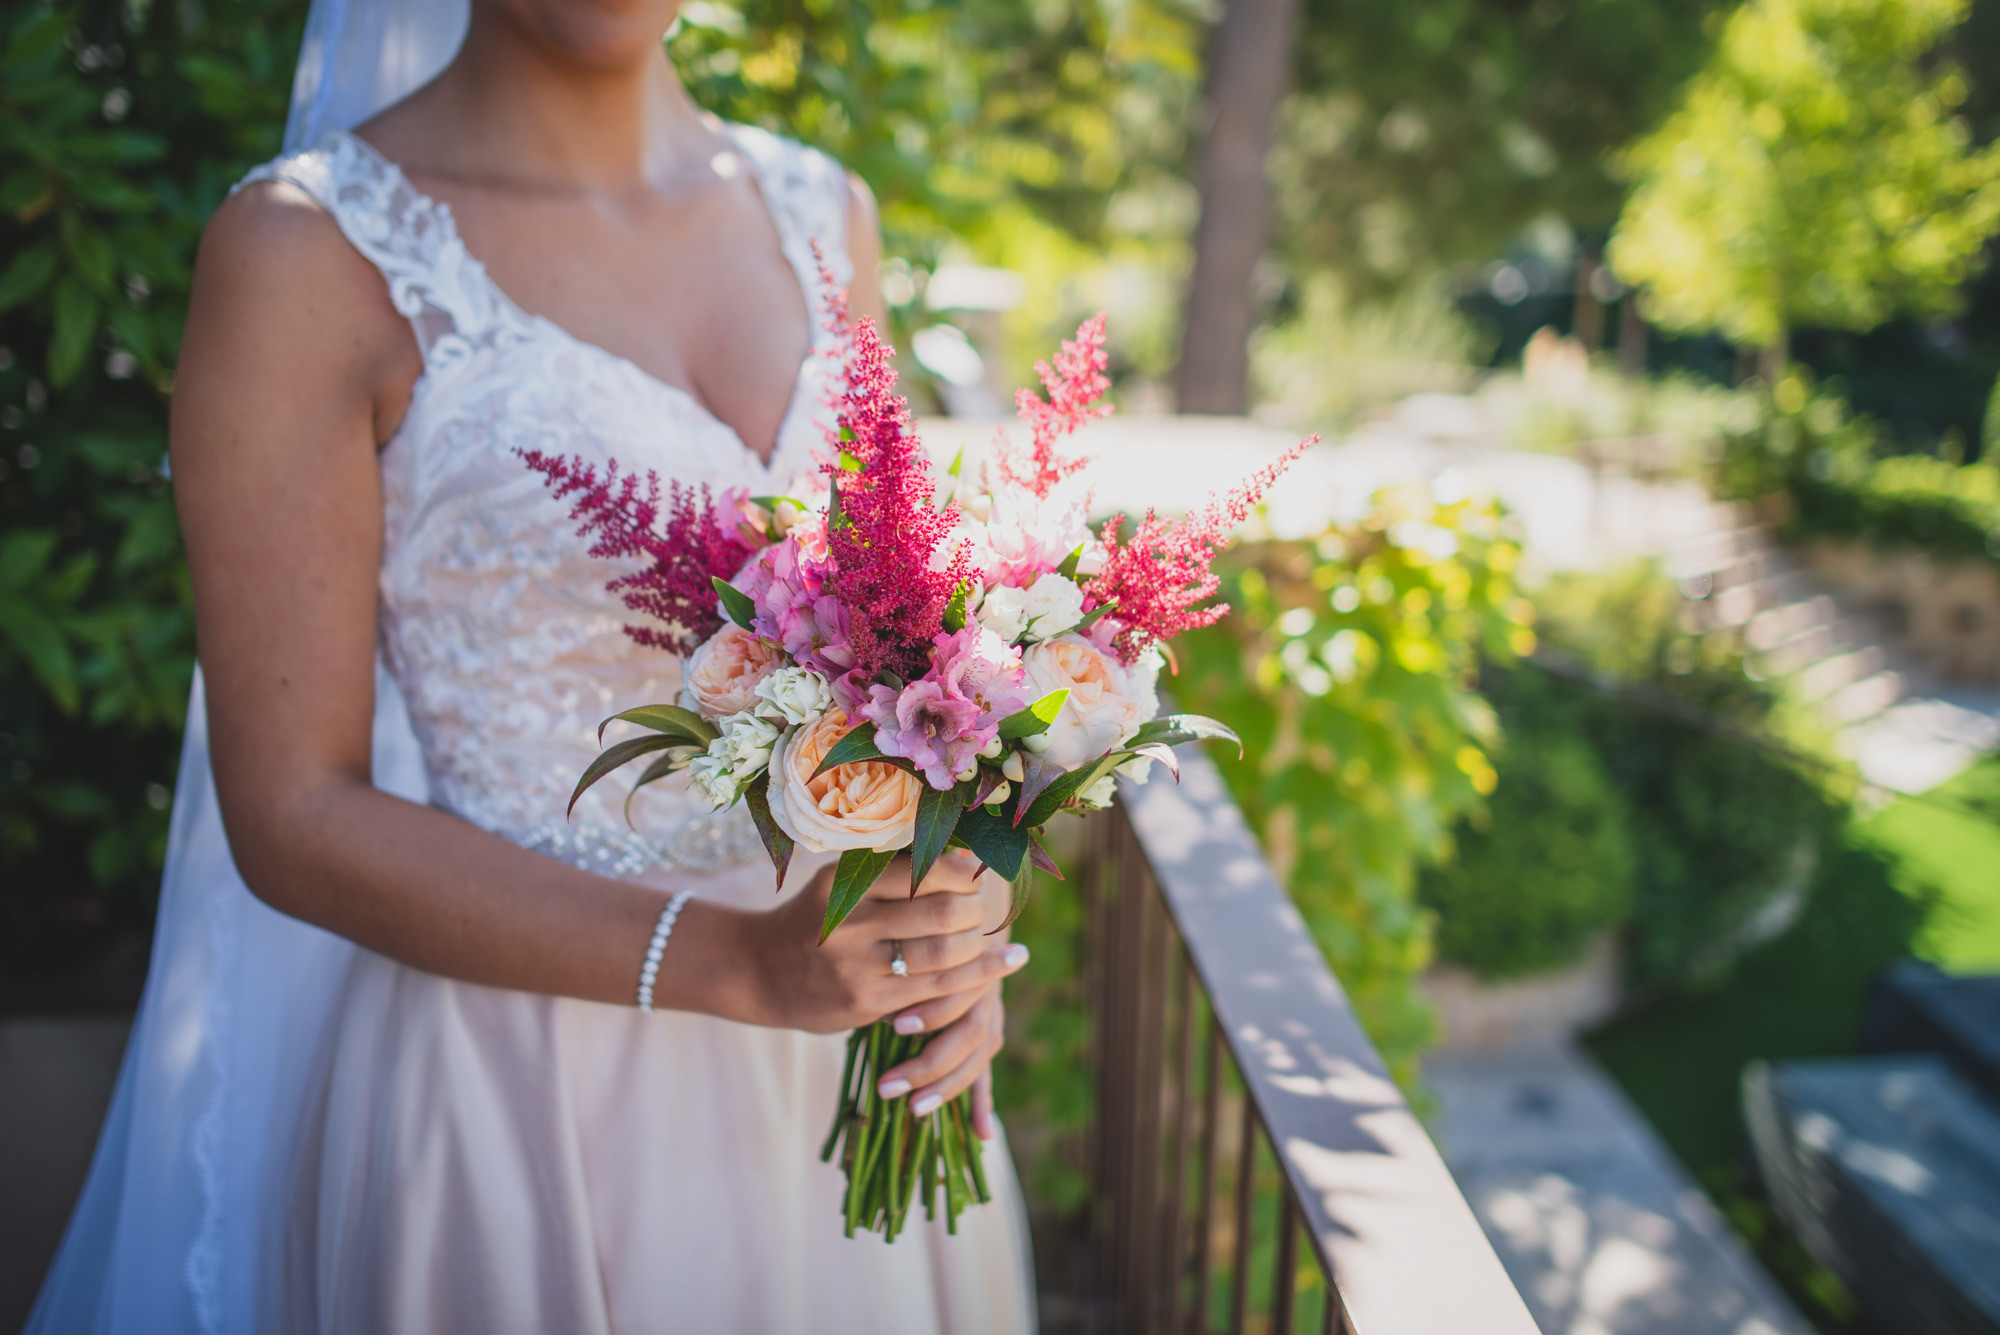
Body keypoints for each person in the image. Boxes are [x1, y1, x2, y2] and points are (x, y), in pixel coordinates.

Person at [26, 0, 1039, 1330]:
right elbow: (293, 811)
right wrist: (739, 966)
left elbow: (900, 647)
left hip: (850, 1059)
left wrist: (956, 914)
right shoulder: (303, 253)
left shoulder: (822, 210)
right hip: (514, 1091)